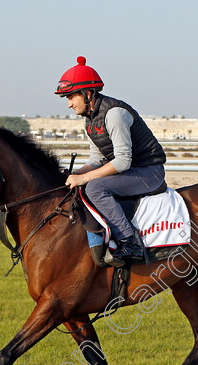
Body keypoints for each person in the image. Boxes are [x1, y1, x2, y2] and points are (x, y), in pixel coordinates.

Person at [56, 56, 167, 265]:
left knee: (95, 188)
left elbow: (123, 161)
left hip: (149, 172)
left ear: (87, 94)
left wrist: (86, 178)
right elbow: (97, 160)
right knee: (83, 182)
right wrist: (77, 174)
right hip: (131, 172)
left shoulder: (114, 114)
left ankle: (130, 241)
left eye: (71, 97)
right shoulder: (89, 122)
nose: (69, 104)